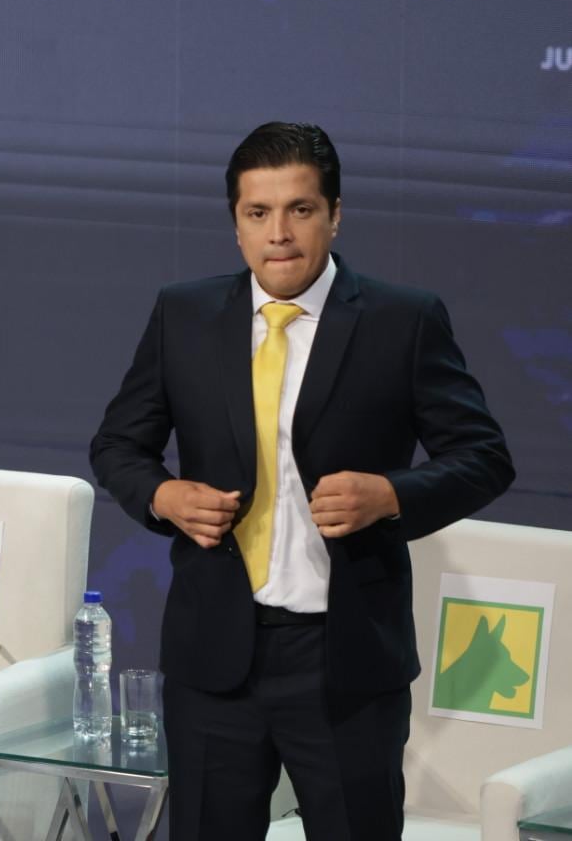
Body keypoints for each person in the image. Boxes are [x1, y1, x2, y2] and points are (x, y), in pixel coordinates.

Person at [90, 122, 513, 840]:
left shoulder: (402, 321)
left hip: (344, 663)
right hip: (214, 658)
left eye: (300, 209)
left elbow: (484, 456)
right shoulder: (184, 315)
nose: (278, 233)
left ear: (335, 214)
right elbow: (116, 446)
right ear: (236, 225)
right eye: (258, 213)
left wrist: (391, 495)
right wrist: (164, 495)